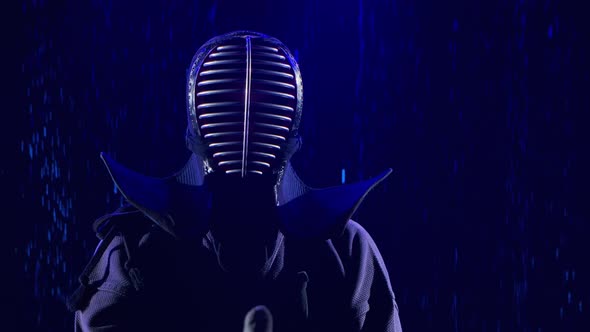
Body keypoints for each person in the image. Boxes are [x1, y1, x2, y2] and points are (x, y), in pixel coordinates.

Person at [68, 30, 402, 332]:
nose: (246, 116)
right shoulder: (135, 250)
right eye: (228, 99)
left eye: (264, 101)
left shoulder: (346, 251)